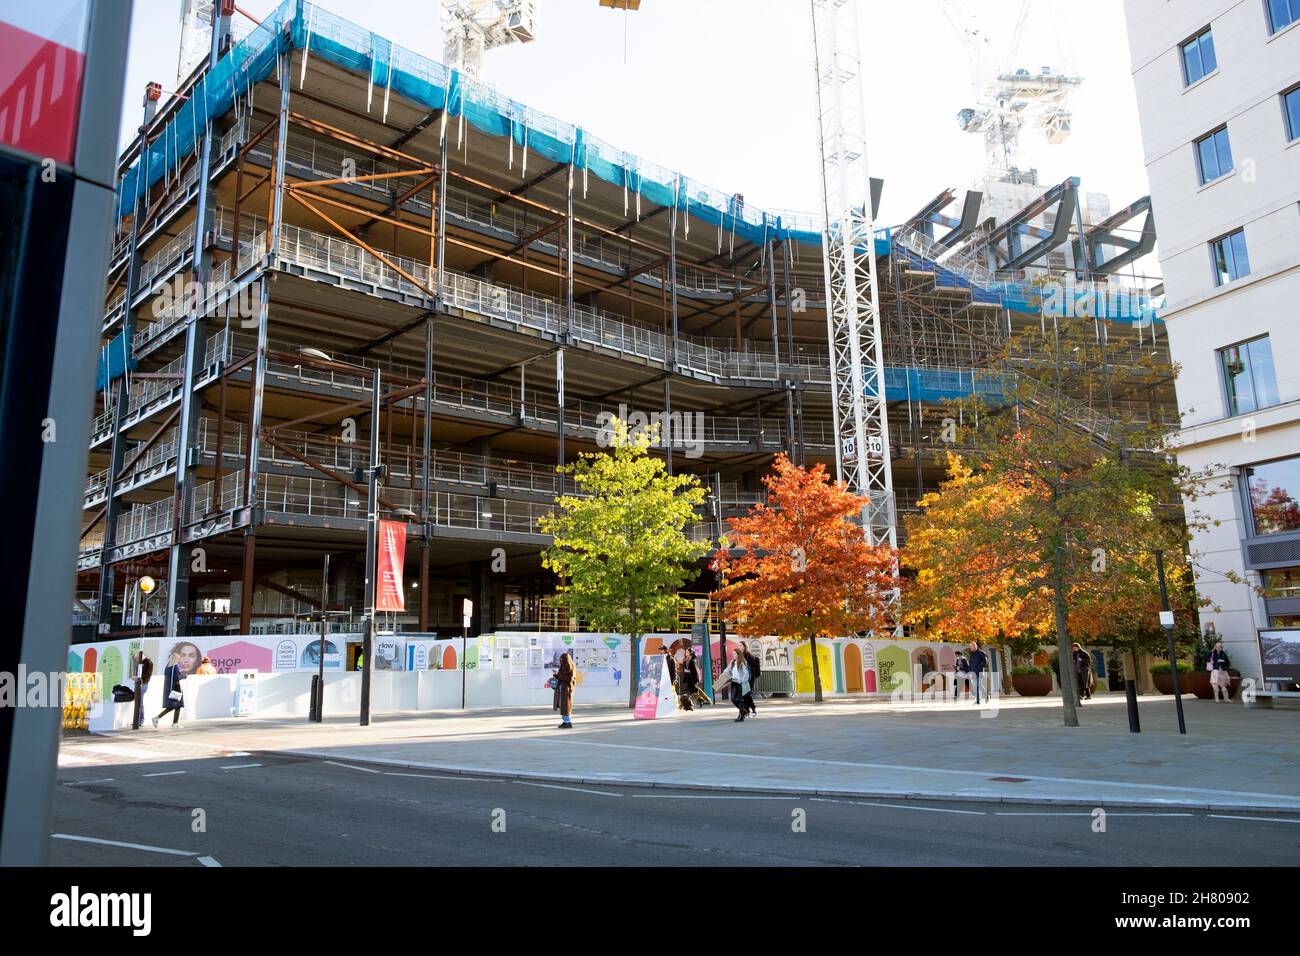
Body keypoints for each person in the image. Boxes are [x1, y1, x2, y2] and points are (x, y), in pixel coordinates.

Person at [152, 652, 185, 729]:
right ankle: (174, 724)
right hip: (175, 688)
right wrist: (183, 675)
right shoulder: (175, 667)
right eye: (178, 658)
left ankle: (158, 719)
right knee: (177, 706)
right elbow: (177, 678)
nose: (179, 660)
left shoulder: (167, 667)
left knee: (172, 707)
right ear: (176, 659)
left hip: (169, 689)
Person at [724, 648, 751, 722]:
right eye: (733, 654)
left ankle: (741, 716)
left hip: (740, 683)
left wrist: (742, 681)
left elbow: (746, 674)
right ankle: (744, 710)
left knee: (739, 699)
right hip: (734, 682)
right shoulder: (733, 662)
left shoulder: (742, 663)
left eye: (735, 654)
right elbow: (727, 669)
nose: (733, 655)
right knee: (733, 699)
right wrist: (722, 675)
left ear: (738, 654)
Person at [554, 651, 575, 729]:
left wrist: (560, 676)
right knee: (562, 706)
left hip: (567, 690)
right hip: (562, 689)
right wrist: (556, 675)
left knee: (566, 707)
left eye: (562, 660)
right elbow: (561, 677)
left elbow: (569, 679)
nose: (560, 661)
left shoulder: (570, 667)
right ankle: (565, 721)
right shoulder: (563, 667)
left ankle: (568, 722)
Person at [133, 651, 154, 730]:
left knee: (140, 702)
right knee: (139, 702)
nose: (137, 660)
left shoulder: (148, 662)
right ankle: (139, 720)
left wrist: (138, 678)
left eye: (137, 658)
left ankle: (141, 720)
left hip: (143, 684)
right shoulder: (145, 662)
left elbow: (147, 674)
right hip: (142, 684)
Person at [743, 642, 762, 716]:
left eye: (741, 645)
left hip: (749, 680)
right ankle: (750, 709)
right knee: (744, 695)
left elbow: (757, 672)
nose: (739, 647)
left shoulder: (751, 658)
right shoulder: (739, 657)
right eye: (738, 645)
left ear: (745, 647)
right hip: (742, 680)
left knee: (746, 694)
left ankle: (749, 710)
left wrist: (752, 677)